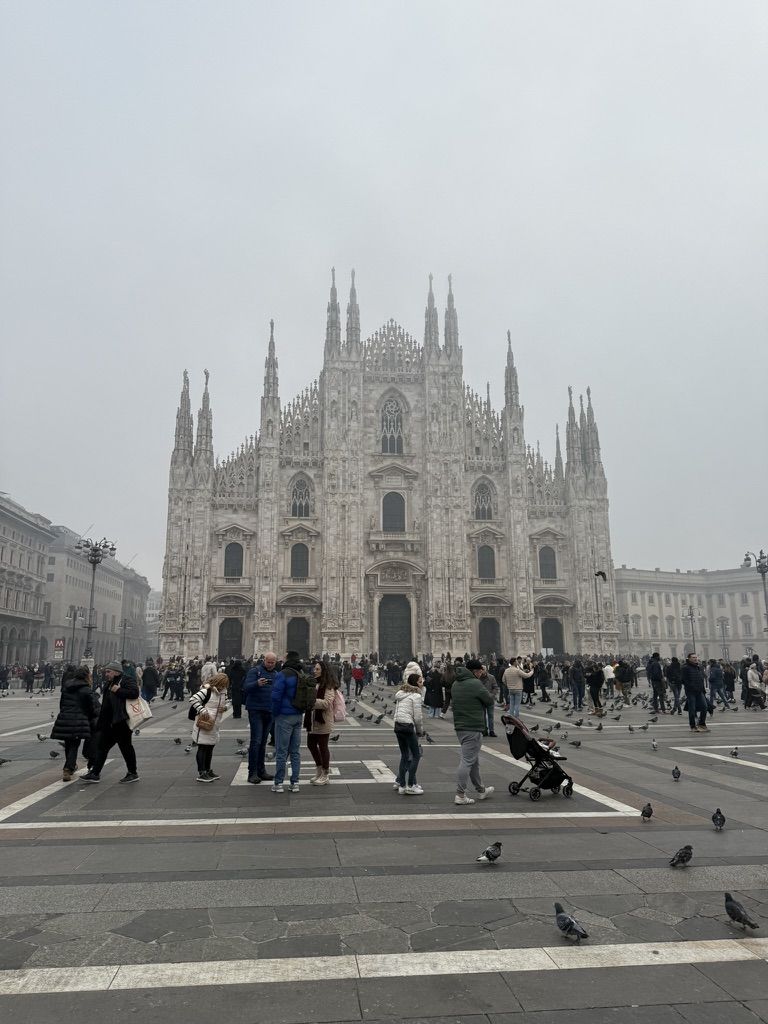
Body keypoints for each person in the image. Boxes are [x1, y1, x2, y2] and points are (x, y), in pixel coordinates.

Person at [81, 660, 140, 784]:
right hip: (109, 722)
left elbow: (134, 693)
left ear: (116, 672)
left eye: (108, 671)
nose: (106, 674)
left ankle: (132, 773)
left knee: (126, 748)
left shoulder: (126, 680)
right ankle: (95, 773)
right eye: (105, 672)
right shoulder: (109, 683)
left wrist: (118, 690)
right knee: (102, 747)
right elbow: (106, 704)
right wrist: (101, 722)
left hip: (121, 721)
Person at [451, 658, 495, 806]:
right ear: (475, 671)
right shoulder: (475, 683)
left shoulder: (456, 683)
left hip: (460, 727)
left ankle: (481, 790)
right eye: (480, 671)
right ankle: (460, 794)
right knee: (467, 761)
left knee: (473, 761)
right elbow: (489, 700)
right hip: (473, 727)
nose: (481, 674)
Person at [51, 665, 100, 782]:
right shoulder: (86, 689)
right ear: (86, 676)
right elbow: (92, 708)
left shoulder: (66, 688)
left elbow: (62, 704)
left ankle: (70, 766)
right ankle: (68, 768)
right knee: (74, 744)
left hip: (65, 717)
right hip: (79, 720)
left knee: (69, 743)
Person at [270, 649, 306, 793]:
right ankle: (295, 783)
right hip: (298, 716)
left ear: (288, 659)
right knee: (295, 752)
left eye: (284, 657)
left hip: (284, 716)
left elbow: (276, 696)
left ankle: (278, 783)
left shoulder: (282, 675)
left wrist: (275, 713)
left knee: (281, 751)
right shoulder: (301, 674)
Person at [189, 671, 229, 782]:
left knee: (210, 747)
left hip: (214, 724)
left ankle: (208, 770)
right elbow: (193, 699)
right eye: (221, 684)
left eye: (224, 685)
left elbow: (227, 702)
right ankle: (201, 773)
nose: (222, 687)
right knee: (202, 747)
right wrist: (202, 710)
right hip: (204, 723)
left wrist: (225, 708)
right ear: (216, 682)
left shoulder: (223, 693)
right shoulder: (206, 690)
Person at [243, 652, 277, 784]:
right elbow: (246, 687)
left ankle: (261, 771)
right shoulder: (254, 671)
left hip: (269, 711)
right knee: (256, 741)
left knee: (263, 742)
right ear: (264, 660)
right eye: (268, 662)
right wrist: (257, 683)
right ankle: (252, 773)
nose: (270, 664)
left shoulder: (276, 674)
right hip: (256, 710)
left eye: (272, 662)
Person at [306, 660, 340, 786]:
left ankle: (325, 774)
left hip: (323, 720)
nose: (314, 671)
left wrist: (311, 701)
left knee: (323, 747)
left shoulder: (328, 685)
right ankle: (319, 770)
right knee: (311, 745)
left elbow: (327, 703)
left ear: (323, 671)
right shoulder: (313, 683)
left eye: (317, 669)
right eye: (315, 668)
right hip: (312, 720)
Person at [393, 671, 425, 794]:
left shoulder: (401, 694)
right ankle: (411, 785)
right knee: (416, 756)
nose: (422, 684)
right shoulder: (416, 696)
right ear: (415, 684)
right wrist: (419, 731)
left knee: (405, 756)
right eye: (420, 682)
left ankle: (401, 785)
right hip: (408, 726)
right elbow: (418, 717)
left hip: (398, 726)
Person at [681, 652, 709, 732]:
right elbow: (683, 680)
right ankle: (692, 726)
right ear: (689, 658)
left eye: (696, 657)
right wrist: (691, 687)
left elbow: (701, 679)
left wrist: (703, 689)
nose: (695, 658)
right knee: (692, 709)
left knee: (705, 707)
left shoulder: (699, 666)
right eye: (693, 657)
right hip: (691, 691)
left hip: (700, 691)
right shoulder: (685, 668)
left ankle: (702, 724)